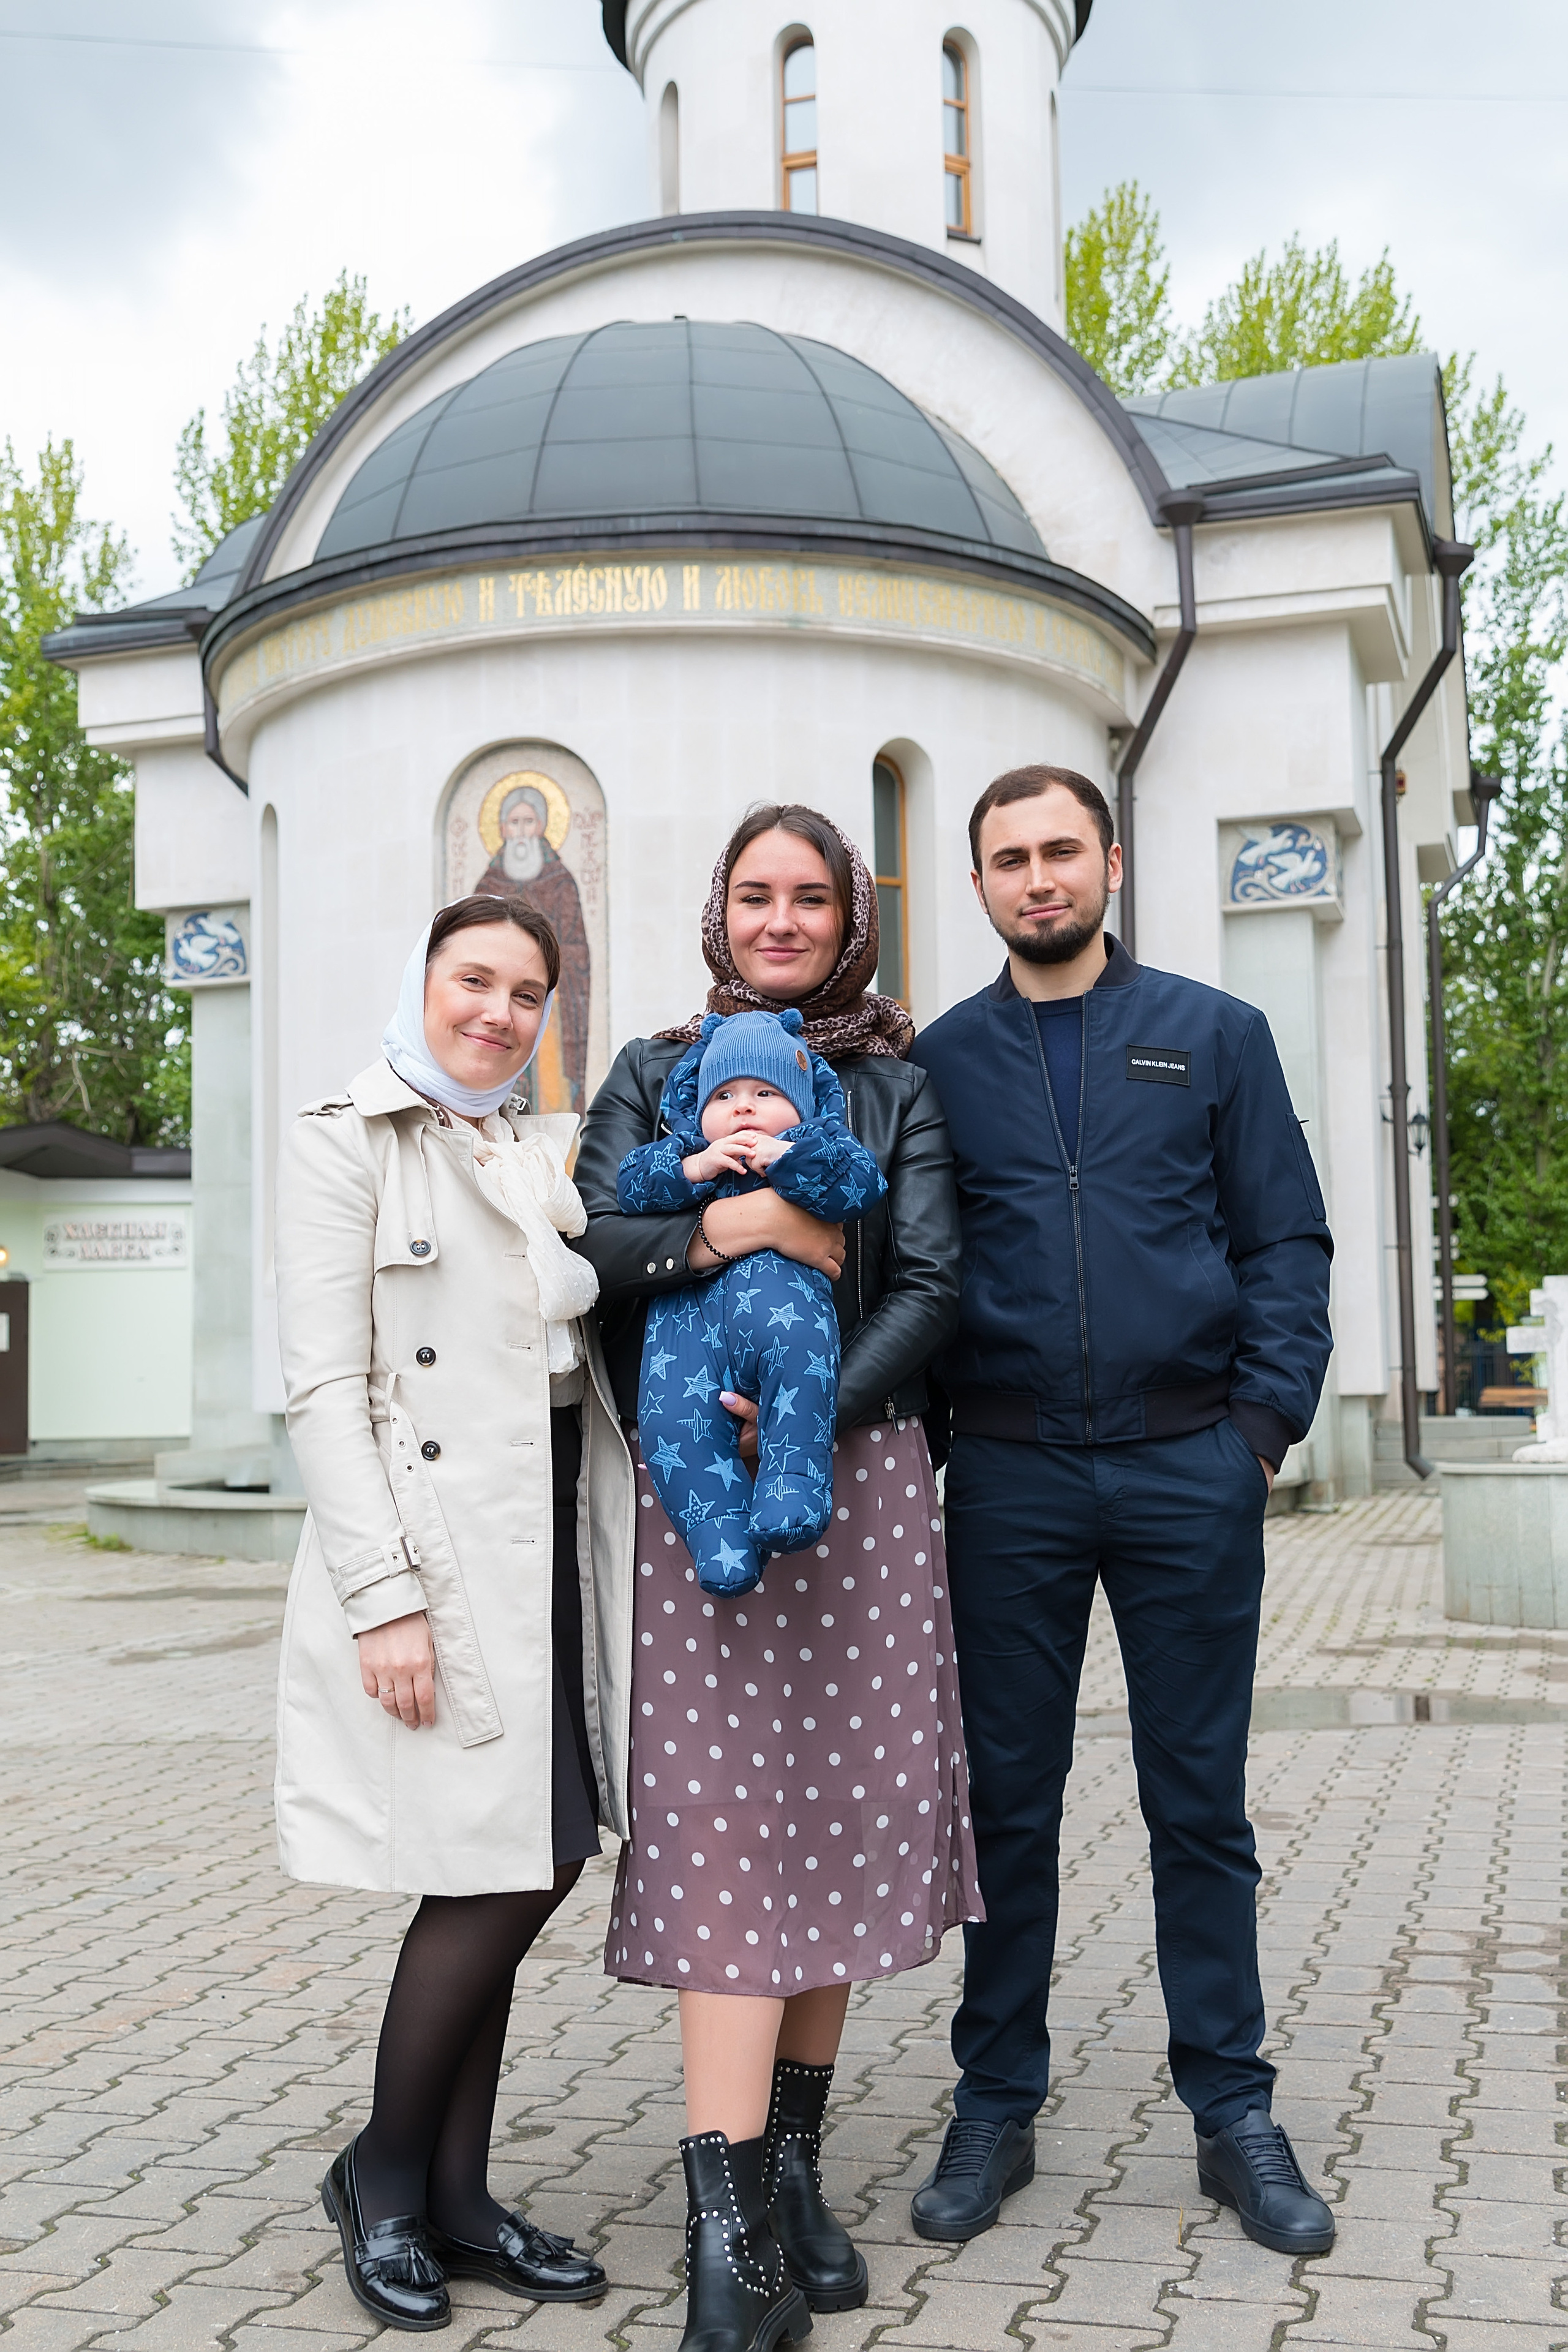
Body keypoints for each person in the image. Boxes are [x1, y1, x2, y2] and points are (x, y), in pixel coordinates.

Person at [911, 764, 1336, 2259]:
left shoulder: (1213, 1035)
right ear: (977, 885)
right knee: (1005, 1806)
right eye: (1007, 859)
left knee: (1196, 1806)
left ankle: (1231, 2110)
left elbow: (1283, 1232)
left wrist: (1257, 1429)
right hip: (1011, 1473)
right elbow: (909, 1265)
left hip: (1183, 1468)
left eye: (1058, 852)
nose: (1037, 878)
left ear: (1105, 860)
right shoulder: (940, 1061)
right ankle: (992, 2099)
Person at [575, 805, 980, 2352]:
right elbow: (593, 1243)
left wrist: (813, 1402)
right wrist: (738, 1223)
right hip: (699, 1504)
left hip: (853, 1484)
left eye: (812, 895)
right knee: (727, 1830)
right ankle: (723, 2239)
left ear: (849, 914)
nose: (784, 917)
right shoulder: (649, 1068)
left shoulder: (892, 1080)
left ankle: (794, 2169)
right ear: (718, 909)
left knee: (833, 1815)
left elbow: (933, 1279)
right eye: (757, 893)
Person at [274, 893, 635, 2332]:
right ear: (424, 980)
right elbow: (324, 1386)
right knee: (491, 1868)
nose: (495, 1009)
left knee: (530, 1851)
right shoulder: (341, 1139)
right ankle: (382, 2173)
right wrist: (383, 1601)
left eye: (523, 991)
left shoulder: (528, 1147)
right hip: (436, 1557)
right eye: (470, 979)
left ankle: (457, 2190)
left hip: (546, 1538)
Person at [616, 1005, 888, 1592]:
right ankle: (718, 1539)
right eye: (725, 1095)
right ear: (697, 1109)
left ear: (802, 1104)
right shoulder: (689, 1153)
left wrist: (789, 1160)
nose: (743, 1107)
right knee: (674, 1426)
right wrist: (692, 1165)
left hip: (785, 1318)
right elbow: (628, 1188)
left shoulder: (818, 1144)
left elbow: (861, 1183)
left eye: (765, 1091)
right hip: (685, 1340)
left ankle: (792, 1489)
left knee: (803, 1377)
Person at [476, 783, 592, 1111]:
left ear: (542, 826)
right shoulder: (489, 886)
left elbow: (577, 947)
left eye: (529, 822)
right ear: (502, 829)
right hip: (495, 1009)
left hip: (548, 1005)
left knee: (551, 1083)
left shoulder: (560, 882)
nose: (522, 832)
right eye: (515, 823)